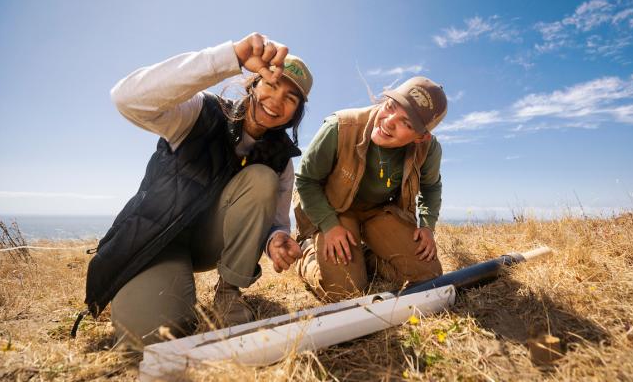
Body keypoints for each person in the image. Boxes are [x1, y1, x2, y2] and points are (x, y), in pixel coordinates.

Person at [84, 32, 310, 348]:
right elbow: (126, 98)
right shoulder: (198, 114)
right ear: (253, 83)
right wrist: (229, 57)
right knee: (148, 336)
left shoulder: (281, 161)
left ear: (296, 113)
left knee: (262, 179)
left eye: (291, 98)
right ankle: (166, 283)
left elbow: (277, 221)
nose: (277, 101)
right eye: (271, 85)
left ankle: (228, 294)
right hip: (159, 241)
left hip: (209, 244)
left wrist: (276, 239)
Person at [293, 77, 447, 302]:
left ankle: (364, 258)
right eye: (391, 106)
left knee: (429, 276)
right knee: (345, 293)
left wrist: (427, 226)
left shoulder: (428, 149)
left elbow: (431, 187)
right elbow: (306, 180)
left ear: (421, 137)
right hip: (334, 210)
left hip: (378, 213)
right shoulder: (340, 127)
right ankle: (307, 254)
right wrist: (328, 225)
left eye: (407, 123)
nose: (389, 121)